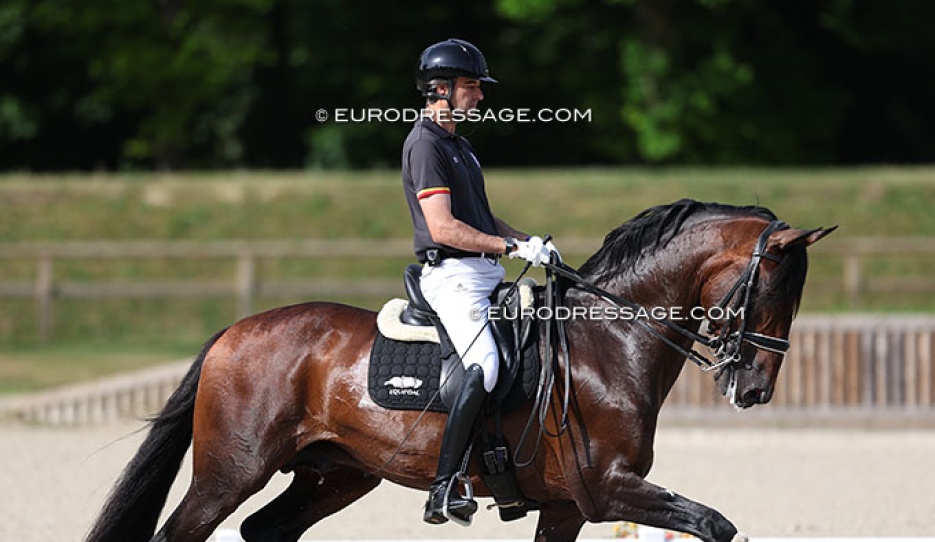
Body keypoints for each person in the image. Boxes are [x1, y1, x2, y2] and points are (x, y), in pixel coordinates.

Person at [401, 38, 555, 525]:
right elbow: (443, 228)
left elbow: (482, 218)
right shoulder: (425, 144)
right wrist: (508, 249)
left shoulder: (459, 145)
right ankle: (443, 488)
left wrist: (527, 240)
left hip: (482, 272)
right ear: (440, 89)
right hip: (454, 279)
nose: (481, 96)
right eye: (472, 86)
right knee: (484, 365)